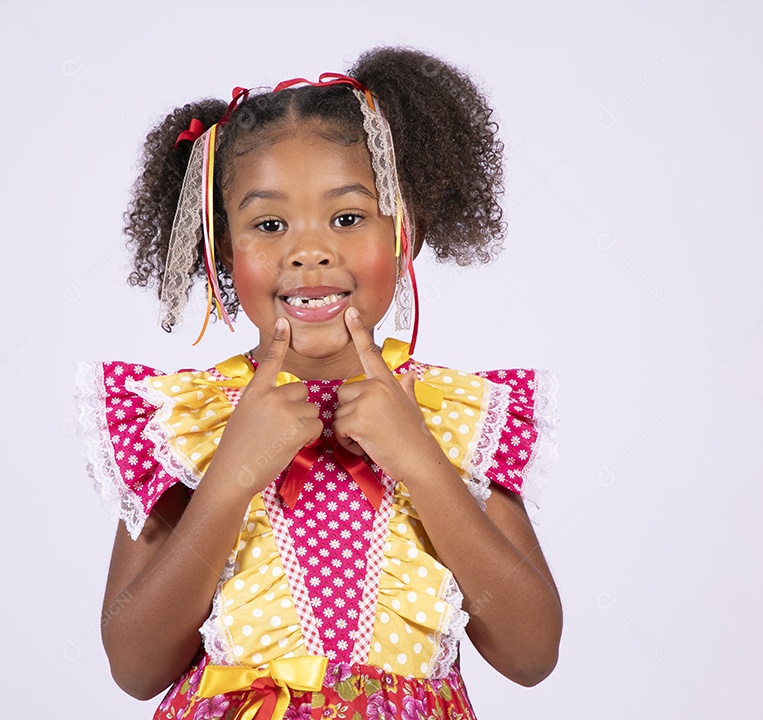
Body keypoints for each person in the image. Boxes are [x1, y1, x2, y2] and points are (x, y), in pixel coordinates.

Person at [75, 46, 561, 719]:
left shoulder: (455, 419)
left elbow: (532, 652)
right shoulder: (186, 422)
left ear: (404, 233)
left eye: (348, 217)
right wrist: (231, 475)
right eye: (269, 224)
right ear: (222, 247)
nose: (308, 250)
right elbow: (134, 664)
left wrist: (419, 459)